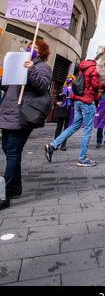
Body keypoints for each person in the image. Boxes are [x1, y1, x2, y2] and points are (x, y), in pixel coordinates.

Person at [0, 40, 52, 210]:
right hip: (8, 111)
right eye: (30, 46)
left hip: (22, 114)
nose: (31, 49)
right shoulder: (19, 62)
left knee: (13, 152)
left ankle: (5, 194)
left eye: (35, 47)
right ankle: (15, 188)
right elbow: (7, 86)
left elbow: (43, 85)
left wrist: (31, 69)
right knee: (9, 150)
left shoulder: (42, 67)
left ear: (42, 52)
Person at [44, 59, 101, 167]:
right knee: (88, 129)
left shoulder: (83, 69)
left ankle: (53, 145)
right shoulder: (94, 69)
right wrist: (99, 82)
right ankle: (82, 159)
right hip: (87, 102)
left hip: (78, 101)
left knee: (74, 125)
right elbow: (95, 86)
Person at [53, 75, 75, 151]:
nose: (70, 80)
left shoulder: (75, 89)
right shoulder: (62, 88)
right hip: (61, 109)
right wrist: (57, 102)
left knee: (66, 128)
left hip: (69, 109)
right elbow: (56, 97)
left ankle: (63, 145)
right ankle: (55, 144)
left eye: (71, 79)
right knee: (59, 127)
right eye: (68, 79)